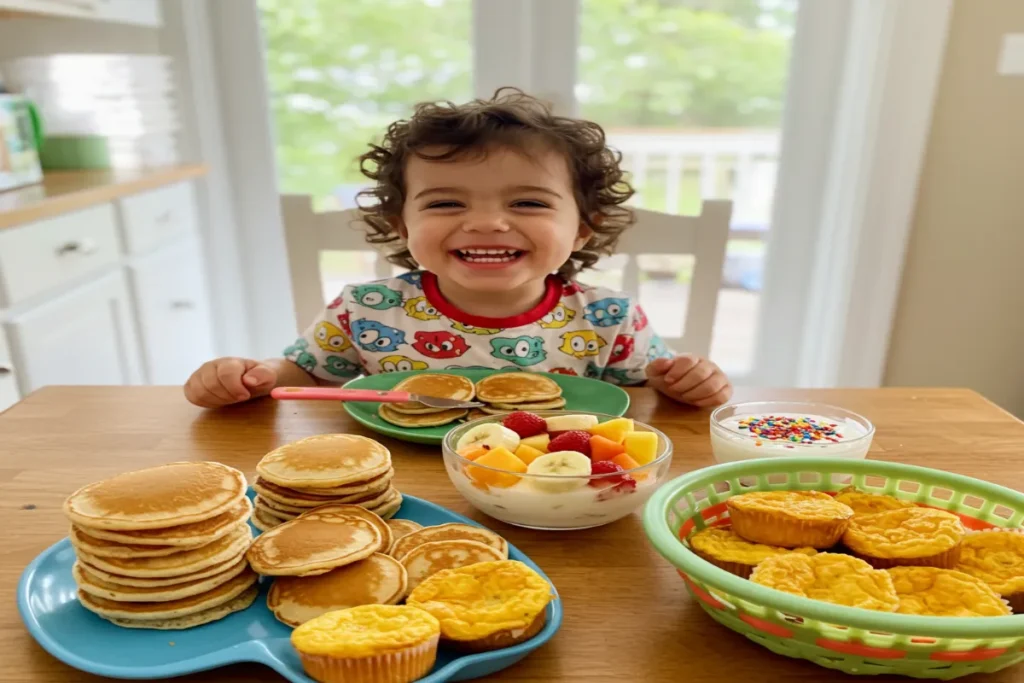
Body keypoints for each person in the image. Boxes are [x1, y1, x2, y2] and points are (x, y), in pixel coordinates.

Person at [184, 89, 732, 409]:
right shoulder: (364, 311)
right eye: (446, 203)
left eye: (528, 203)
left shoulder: (611, 319)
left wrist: (687, 384)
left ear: (584, 229)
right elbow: (301, 376)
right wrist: (249, 377)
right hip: (397, 488)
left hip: (553, 494)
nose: (487, 223)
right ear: (401, 225)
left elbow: (651, 395)